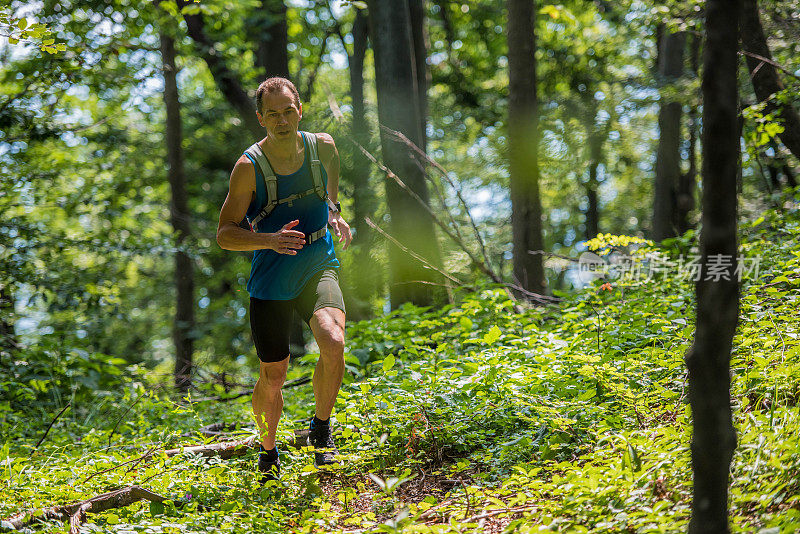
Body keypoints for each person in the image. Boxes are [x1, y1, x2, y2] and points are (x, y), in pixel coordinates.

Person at [216, 77, 352, 482]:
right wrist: (269, 240)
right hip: (272, 277)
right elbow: (225, 234)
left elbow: (332, 178)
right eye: (271, 114)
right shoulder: (248, 168)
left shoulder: (322, 146)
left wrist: (334, 212)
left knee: (334, 340)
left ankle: (321, 430)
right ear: (261, 119)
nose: (281, 120)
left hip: (316, 260)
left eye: (287, 111)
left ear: (299, 110)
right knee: (274, 374)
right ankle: (268, 450)